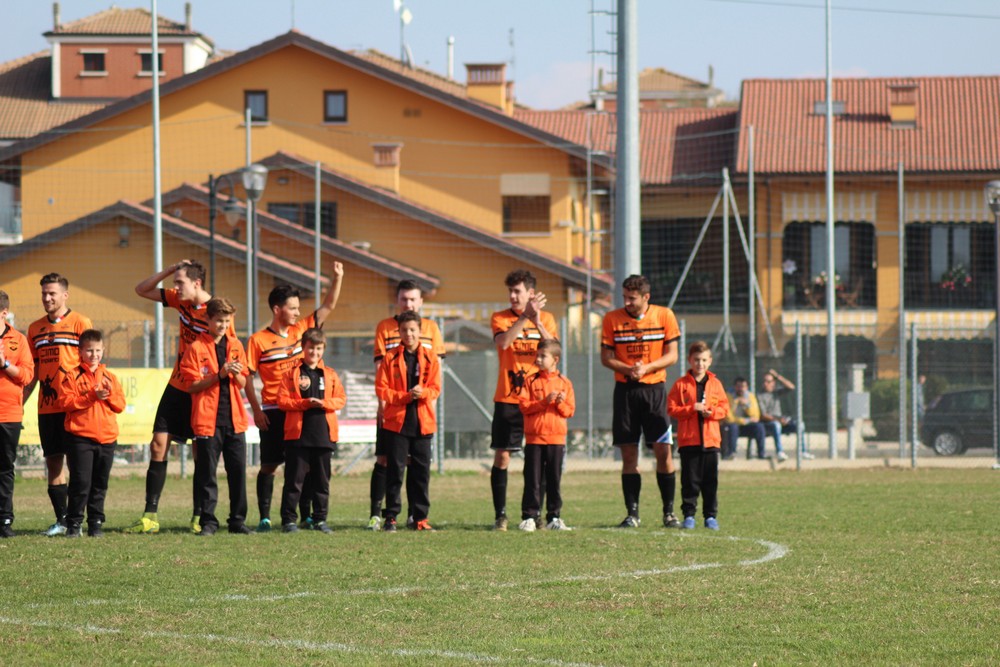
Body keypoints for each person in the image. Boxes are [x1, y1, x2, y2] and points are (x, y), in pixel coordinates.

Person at [246, 264, 343, 533]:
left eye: (299, 308)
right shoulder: (258, 340)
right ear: (277, 309)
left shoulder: (303, 329)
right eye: (293, 308)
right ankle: (265, 517)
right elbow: (247, 378)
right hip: (274, 410)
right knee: (269, 465)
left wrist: (337, 278)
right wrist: (256, 410)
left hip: (301, 411)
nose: (298, 313)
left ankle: (305, 517)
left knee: (303, 468)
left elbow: (329, 305)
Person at [126, 259, 218, 534]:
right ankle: (150, 516)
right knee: (158, 444)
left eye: (180, 282)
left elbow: (227, 350)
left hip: (200, 389)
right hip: (176, 385)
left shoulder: (216, 311)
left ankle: (199, 516)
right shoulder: (181, 301)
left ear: (197, 283)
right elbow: (141, 290)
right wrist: (169, 271)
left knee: (201, 455)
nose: (175, 287)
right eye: (175, 282)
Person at [600, 274, 681, 529]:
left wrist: (647, 368)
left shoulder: (664, 315)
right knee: (628, 453)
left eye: (632, 298)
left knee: (662, 450)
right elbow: (605, 357)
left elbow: (672, 355)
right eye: (624, 296)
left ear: (646, 297)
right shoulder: (612, 318)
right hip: (625, 391)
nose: (627, 302)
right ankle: (632, 513)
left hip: (654, 390)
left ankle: (669, 513)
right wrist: (628, 369)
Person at [367, 279, 445, 531]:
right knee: (395, 470)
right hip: (397, 420)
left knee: (421, 472)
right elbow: (382, 389)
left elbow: (435, 387)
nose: (409, 334)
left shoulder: (430, 357)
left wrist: (422, 394)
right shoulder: (390, 358)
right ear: (398, 332)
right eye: (404, 331)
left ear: (419, 331)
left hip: (423, 419)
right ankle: (390, 517)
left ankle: (420, 517)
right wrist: (403, 397)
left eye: (413, 330)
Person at [24, 273, 93, 536]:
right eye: (44, 293)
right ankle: (61, 520)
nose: (47, 298)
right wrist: (20, 402)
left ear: (65, 295)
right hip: (47, 408)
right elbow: (32, 371)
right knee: (53, 462)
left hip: (73, 406)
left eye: (52, 293)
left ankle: (77, 520)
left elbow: (90, 363)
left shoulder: (80, 323)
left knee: (78, 464)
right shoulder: (35, 329)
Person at [488, 269, 556, 531]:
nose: (512, 296)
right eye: (510, 291)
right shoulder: (500, 317)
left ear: (530, 293)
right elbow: (504, 343)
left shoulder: (547, 318)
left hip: (538, 400)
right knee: (503, 456)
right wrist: (524, 318)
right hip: (508, 398)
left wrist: (536, 321)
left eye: (517, 291)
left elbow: (554, 349)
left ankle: (533, 514)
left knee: (539, 458)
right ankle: (500, 515)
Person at [180, 298, 251, 536]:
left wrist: (236, 374)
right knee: (207, 474)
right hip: (207, 421)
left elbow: (242, 383)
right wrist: (219, 375)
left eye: (227, 321)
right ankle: (208, 522)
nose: (222, 325)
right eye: (219, 320)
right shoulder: (196, 348)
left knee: (238, 472)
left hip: (235, 420)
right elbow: (191, 386)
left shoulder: (236, 345)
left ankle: (237, 521)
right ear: (208, 320)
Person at [276, 328, 346, 534]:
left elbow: (341, 399)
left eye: (318, 348)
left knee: (321, 482)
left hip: (324, 436)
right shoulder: (291, 374)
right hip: (297, 436)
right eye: (310, 348)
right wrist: (304, 403)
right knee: (294, 482)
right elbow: (282, 401)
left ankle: (320, 519)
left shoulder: (331, 375)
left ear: (323, 349)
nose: (314, 352)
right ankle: (289, 520)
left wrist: (323, 403)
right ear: (303, 348)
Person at [57, 329, 125, 538]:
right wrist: (91, 396)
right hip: (81, 438)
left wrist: (108, 395)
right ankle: (74, 524)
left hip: (107, 439)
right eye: (89, 351)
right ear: (80, 352)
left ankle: (96, 523)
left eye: (97, 350)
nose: (94, 355)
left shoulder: (110, 377)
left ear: (103, 350)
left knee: (100, 483)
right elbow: (65, 403)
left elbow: (120, 405)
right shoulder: (72, 376)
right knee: (80, 483)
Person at [667, 340, 729, 530]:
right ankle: (689, 515)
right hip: (689, 441)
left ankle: (710, 516)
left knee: (710, 481)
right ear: (689, 360)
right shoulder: (680, 385)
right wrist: (690, 408)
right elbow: (671, 409)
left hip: (711, 441)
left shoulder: (716, 384)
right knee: (690, 481)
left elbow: (724, 408)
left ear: (709, 361)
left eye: (703, 360)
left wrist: (712, 412)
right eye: (696, 360)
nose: (699, 364)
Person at [517, 338, 575, 531]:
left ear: (555, 359)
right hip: (534, 439)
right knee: (533, 480)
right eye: (538, 355)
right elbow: (524, 406)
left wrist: (558, 402)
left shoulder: (564, 383)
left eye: (543, 356)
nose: (538, 359)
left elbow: (569, 411)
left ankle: (554, 517)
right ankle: (530, 517)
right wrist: (544, 402)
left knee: (554, 480)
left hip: (556, 440)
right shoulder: (530, 381)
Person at [0, 291, 34, 538]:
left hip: (8, 413)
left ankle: (4, 520)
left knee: (4, 468)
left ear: (4, 313)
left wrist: (4, 364)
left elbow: (27, 376)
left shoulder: (18, 340)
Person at [758, 369, 800, 461]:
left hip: (781, 421)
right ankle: (780, 452)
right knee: (776, 425)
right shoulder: (760, 395)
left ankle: (802, 452)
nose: (766, 384)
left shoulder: (776, 392)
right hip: (768, 424)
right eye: (764, 381)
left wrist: (777, 376)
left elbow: (791, 387)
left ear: (773, 383)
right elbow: (763, 415)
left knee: (800, 425)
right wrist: (778, 420)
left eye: (768, 381)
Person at [725, 377, 769, 460]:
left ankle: (761, 453)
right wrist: (735, 403)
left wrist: (747, 406)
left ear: (747, 387)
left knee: (759, 426)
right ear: (734, 387)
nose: (741, 389)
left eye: (743, 386)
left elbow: (756, 416)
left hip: (747, 426)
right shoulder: (728, 396)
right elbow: (728, 417)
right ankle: (732, 453)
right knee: (733, 427)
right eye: (738, 386)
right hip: (734, 425)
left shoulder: (750, 397)